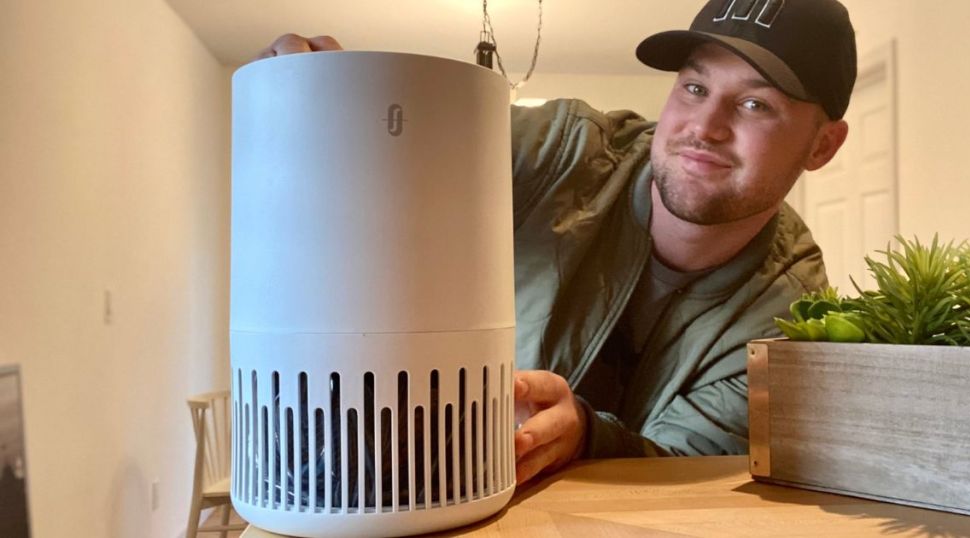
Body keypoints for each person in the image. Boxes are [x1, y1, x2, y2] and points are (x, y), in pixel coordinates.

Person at [255, 0, 856, 485]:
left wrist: (589, 436)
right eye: (694, 88)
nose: (704, 126)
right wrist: (339, 106)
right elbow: (415, 148)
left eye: (755, 104)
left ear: (823, 145)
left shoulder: (788, 313)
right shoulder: (563, 148)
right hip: (379, 481)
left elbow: (699, 467)